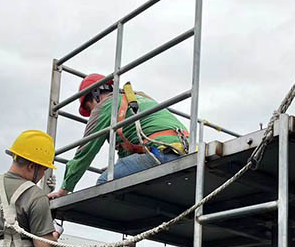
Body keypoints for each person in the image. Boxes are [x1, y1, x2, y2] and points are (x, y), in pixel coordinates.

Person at [48, 74, 190, 199]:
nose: (92, 113)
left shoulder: (106, 105)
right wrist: (117, 166)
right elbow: (131, 143)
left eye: (90, 107)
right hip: (183, 151)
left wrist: (65, 189)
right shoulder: (135, 98)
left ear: (96, 95)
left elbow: (86, 150)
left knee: (105, 184)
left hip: (160, 154)